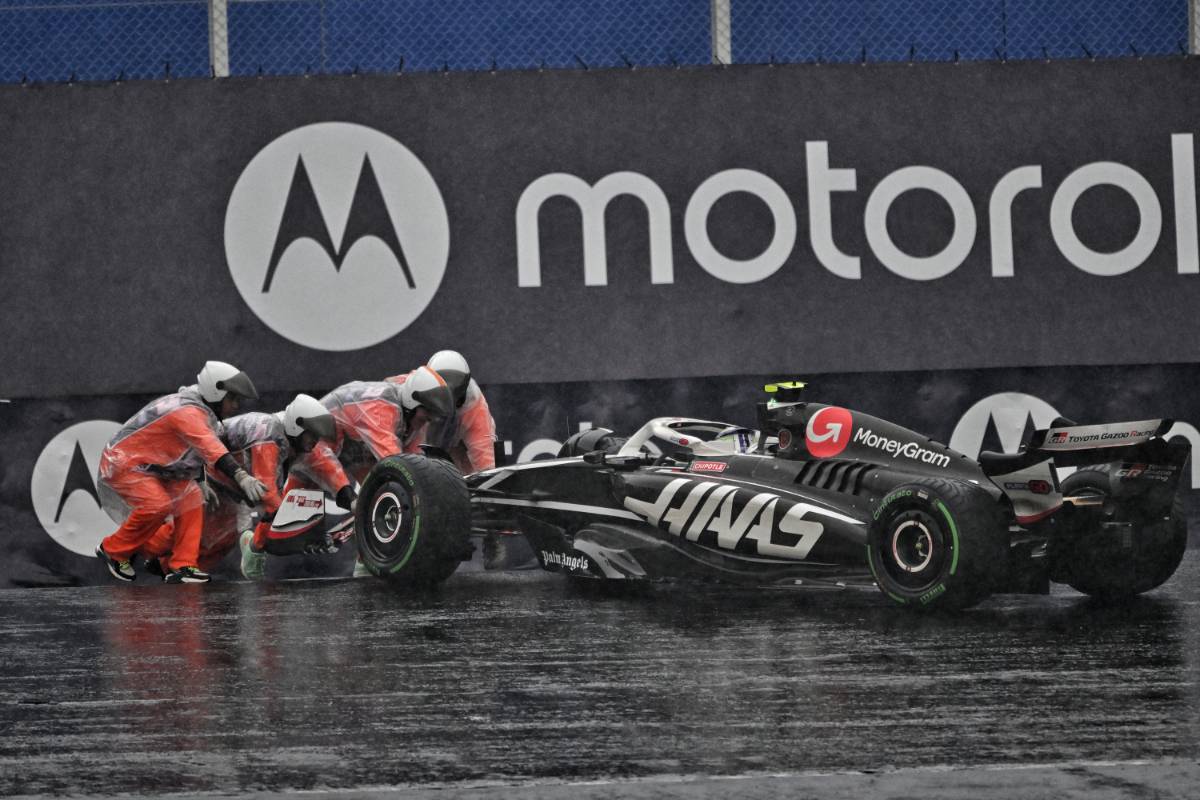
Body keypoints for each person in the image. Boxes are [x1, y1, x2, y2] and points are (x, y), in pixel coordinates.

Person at [94, 361, 267, 584]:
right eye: (232, 398)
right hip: (124, 463)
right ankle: (113, 549)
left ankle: (183, 565)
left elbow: (191, 452)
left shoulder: (200, 409)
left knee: (192, 498)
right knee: (157, 505)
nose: (235, 405)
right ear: (215, 392)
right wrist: (241, 476)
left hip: (156, 468)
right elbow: (211, 448)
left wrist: (200, 480)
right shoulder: (187, 412)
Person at [273, 368, 455, 578]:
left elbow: (416, 463)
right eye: (428, 412)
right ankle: (254, 547)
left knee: (380, 497)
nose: (429, 418)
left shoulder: (415, 417)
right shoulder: (381, 406)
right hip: (319, 445)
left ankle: (366, 562)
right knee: (284, 521)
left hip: (355, 452)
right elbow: (396, 461)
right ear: (413, 403)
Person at [387, 350, 497, 474]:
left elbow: (485, 455)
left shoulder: (474, 404)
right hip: (413, 447)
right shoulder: (407, 387)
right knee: (409, 470)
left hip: (456, 449)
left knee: (469, 479)